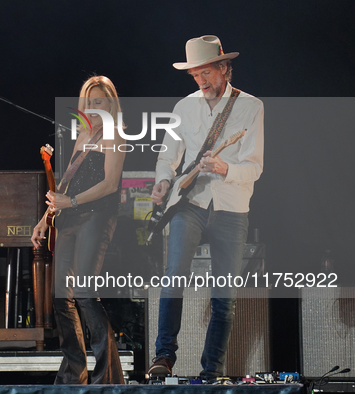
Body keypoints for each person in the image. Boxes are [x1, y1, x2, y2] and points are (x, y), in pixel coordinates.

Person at [148, 35, 264, 380]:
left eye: (207, 73)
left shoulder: (251, 106)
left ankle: (212, 370)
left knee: (224, 297)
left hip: (231, 206)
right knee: (173, 279)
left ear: (224, 68)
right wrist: (163, 181)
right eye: (196, 75)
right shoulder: (185, 107)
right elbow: (167, 157)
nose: (202, 81)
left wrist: (226, 168)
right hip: (191, 203)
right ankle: (163, 356)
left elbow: (255, 167)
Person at [31, 76, 126, 384]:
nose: (94, 107)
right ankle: (75, 373)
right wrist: (44, 219)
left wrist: (69, 201)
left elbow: (110, 184)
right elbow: (65, 185)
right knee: (62, 297)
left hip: (97, 215)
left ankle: (108, 376)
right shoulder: (83, 134)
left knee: (85, 293)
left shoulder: (115, 135)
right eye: (89, 102)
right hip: (70, 216)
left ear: (111, 104)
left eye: (100, 101)